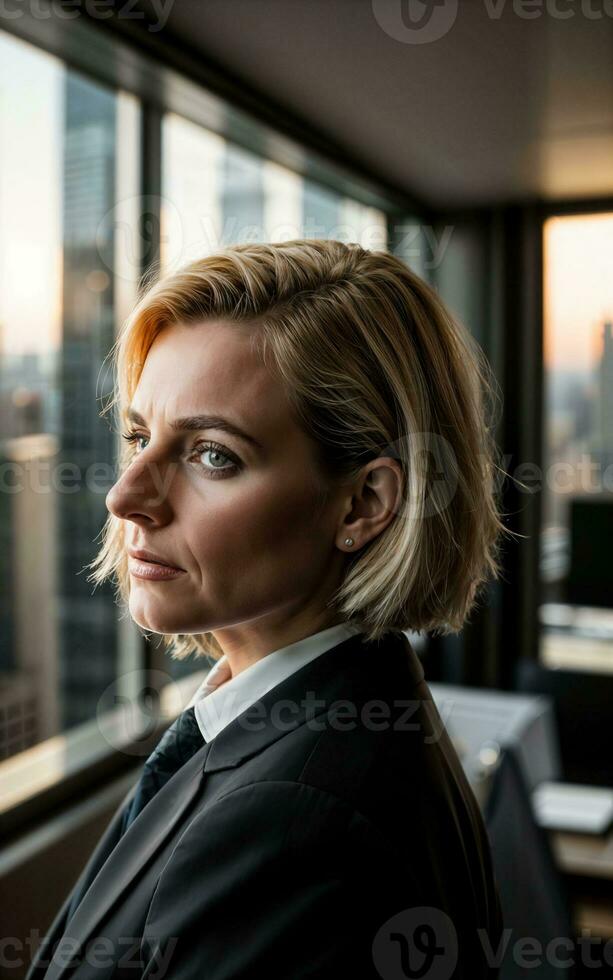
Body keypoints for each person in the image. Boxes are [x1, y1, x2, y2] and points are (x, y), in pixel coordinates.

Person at [27, 239, 510, 979]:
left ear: (364, 503)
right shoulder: (327, 714)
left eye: (212, 454)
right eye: (139, 437)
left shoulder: (299, 820)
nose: (124, 495)